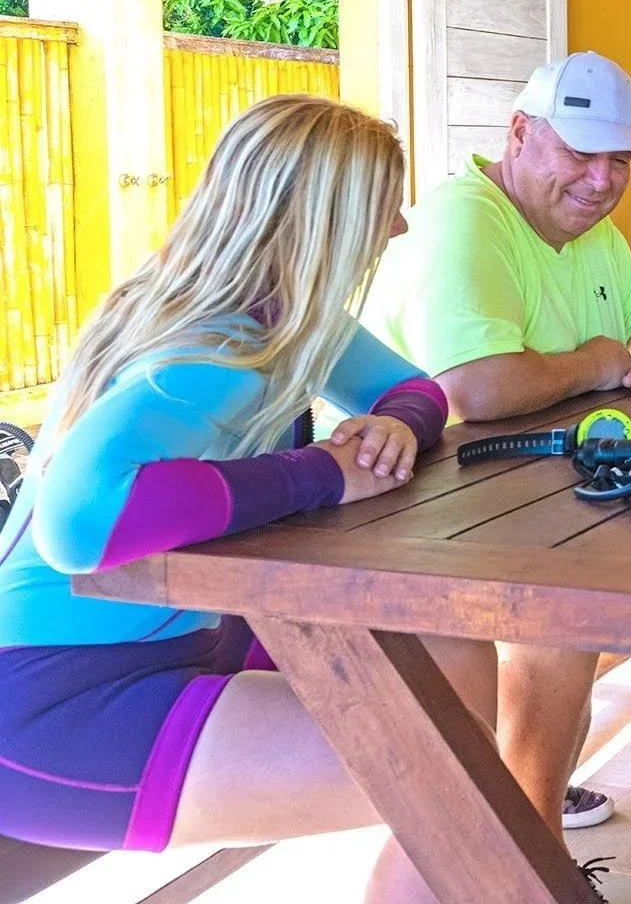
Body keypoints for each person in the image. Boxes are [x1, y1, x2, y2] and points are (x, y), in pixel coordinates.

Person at [0, 96, 569, 903]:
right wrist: (322, 474)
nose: (399, 229)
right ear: (325, 221)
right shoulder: (210, 350)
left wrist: (394, 429)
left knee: (452, 662)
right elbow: (78, 522)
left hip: (182, 637)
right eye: (382, 207)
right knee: (457, 785)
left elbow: (413, 388)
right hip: (64, 700)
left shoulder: (280, 319)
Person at [362, 51, 631, 823]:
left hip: (518, 489)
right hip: (402, 505)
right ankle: (528, 839)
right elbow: (473, 389)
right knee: (565, 611)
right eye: (581, 153)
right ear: (519, 134)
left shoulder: (583, 225)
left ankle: (527, 796)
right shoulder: (467, 215)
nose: (602, 180)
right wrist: (596, 363)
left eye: (618, 161)